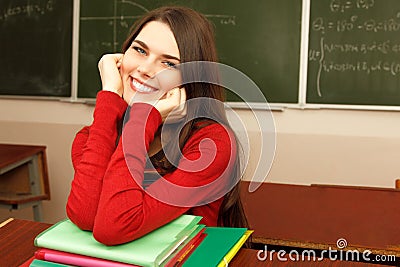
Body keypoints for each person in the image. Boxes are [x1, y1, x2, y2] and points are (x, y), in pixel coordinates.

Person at [66, 6, 248, 246]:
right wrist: (109, 94)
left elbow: (114, 227)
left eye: (169, 64)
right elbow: (85, 215)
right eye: (140, 50)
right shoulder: (94, 135)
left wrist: (141, 119)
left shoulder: (210, 144)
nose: (145, 69)